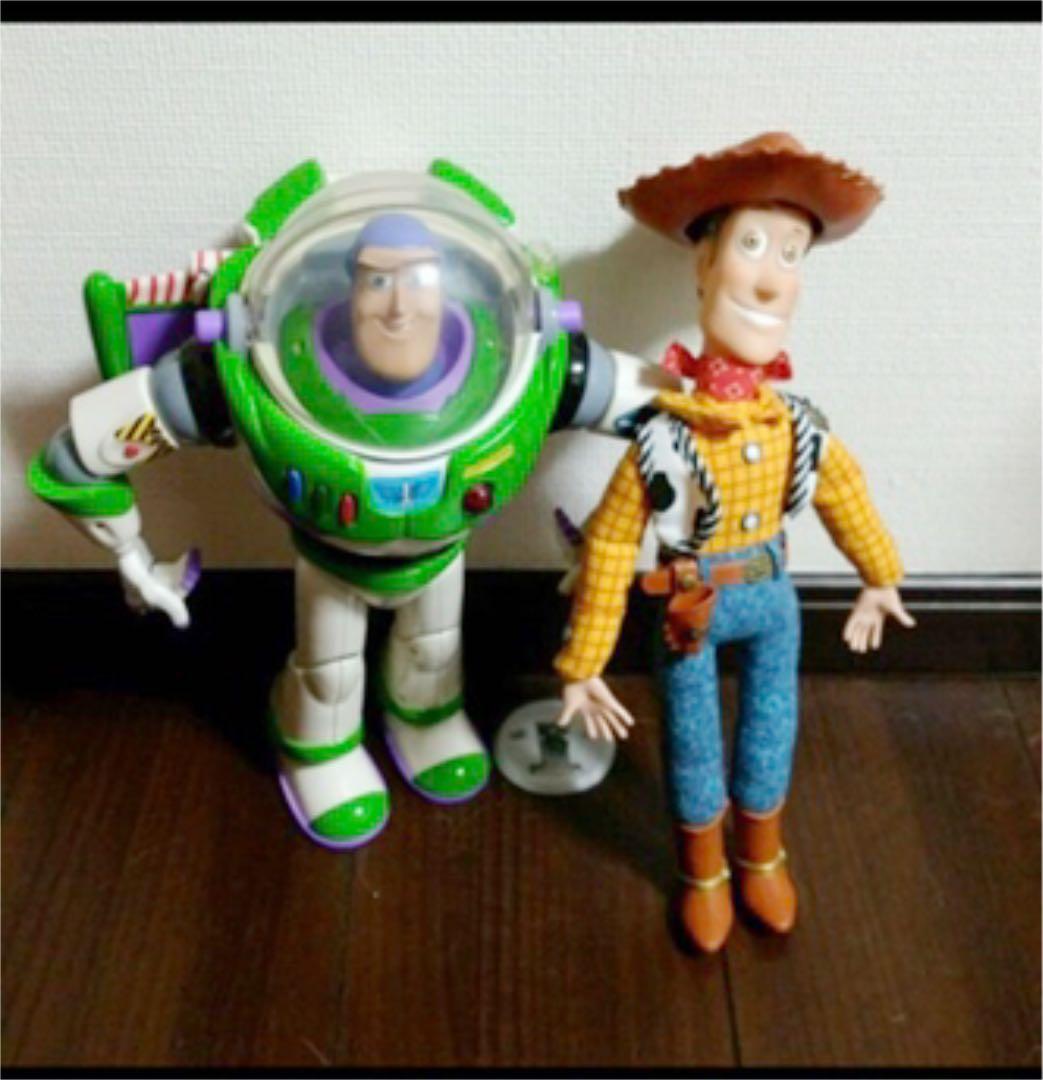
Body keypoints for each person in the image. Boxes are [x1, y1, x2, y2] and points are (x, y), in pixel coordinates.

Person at [554, 133, 915, 952]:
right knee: (690, 738)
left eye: (791, 254)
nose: (770, 279)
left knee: (771, 728)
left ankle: (760, 852)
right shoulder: (664, 436)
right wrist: (582, 663)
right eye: (751, 245)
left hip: (772, 601)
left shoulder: (794, 425)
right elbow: (610, 543)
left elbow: (844, 492)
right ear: (702, 264)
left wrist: (879, 576)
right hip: (691, 604)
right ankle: (703, 868)